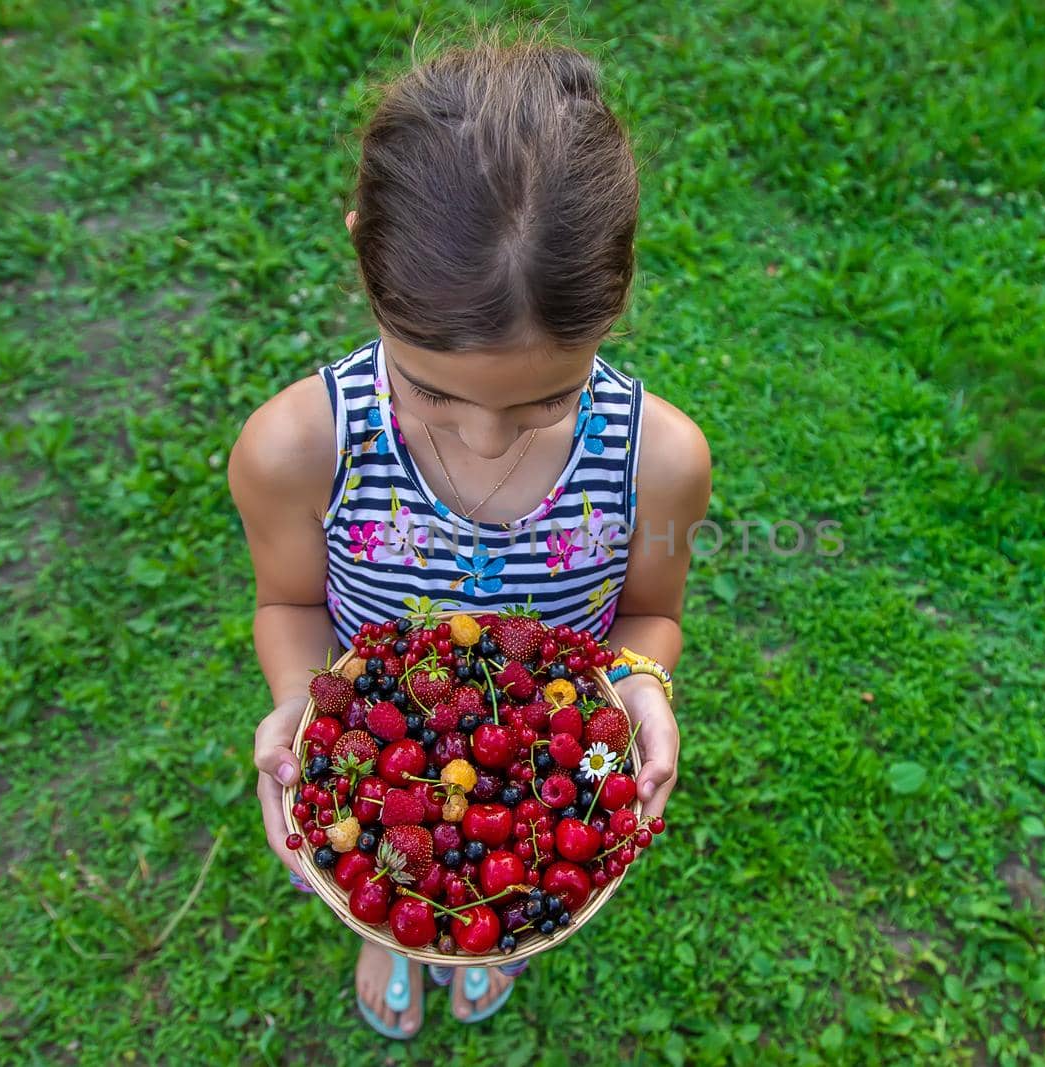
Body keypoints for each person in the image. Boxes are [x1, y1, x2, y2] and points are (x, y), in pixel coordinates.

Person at [229, 37, 711, 1039]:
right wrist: (297, 705)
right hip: (380, 750)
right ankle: (398, 933)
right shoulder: (294, 449)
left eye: (548, 396)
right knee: (406, 880)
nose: (486, 432)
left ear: (615, 300)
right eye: (434, 390)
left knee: (497, 877)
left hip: (538, 755)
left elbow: (647, 613)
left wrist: (640, 683)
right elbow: (290, 601)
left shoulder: (655, 461)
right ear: (362, 249)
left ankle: (476, 921)